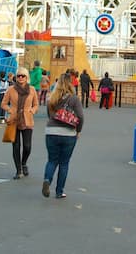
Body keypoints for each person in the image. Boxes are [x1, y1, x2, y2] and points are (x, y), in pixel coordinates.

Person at [42, 71, 84, 199]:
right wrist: (78, 131)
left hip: (51, 132)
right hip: (68, 134)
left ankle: (47, 180)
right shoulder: (74, 99)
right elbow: (80, 117)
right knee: (64, 163)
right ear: (70, 84)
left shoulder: (51, 98)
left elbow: (49, 115)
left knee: (52, 160)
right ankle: (59, 191)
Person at [0, 66, 38, 179]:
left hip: (27, 119)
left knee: (27, 146)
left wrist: (32, 110)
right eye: (18, 76)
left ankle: (24, 163)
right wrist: (10, 110)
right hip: (14, 120)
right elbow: (3, 104)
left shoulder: (32, 90)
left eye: (23, 76)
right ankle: (18, 170)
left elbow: (36, 104)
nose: (20, 78)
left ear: (27, 78)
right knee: (16, 146)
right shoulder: (11, 89)